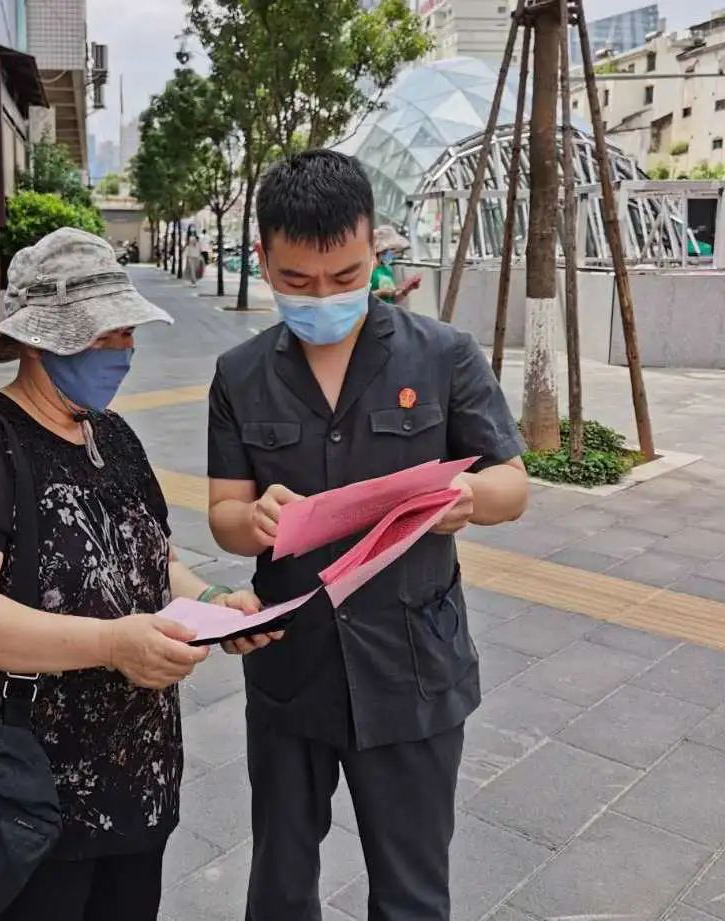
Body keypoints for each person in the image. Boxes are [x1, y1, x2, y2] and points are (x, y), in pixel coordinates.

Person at [0, 228, 266, 921]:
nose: (123, 350)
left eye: (127, 333)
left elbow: (155, 560)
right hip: (21, 799)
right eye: (104, 335)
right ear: (41, 341)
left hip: (133, 789)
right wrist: (112, 644)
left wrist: (218, 603)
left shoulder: (113, 434)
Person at [206, 150, 529, 921]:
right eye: (297, 280)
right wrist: (252, 520)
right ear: (263, 259)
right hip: (292, 666)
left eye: (345, 275)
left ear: (374, 250)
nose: (323, 296)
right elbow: (224, 511)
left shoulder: (442, 355)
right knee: (280, 885)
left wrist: (469, 496)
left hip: (411, 667)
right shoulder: (240, 373)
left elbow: (512, 484)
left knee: (412, 892)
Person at [370, 224, 420, 304]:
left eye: (395, 250)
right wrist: (380, 292)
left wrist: (407, 289)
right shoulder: (370, 268)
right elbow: (361, 298)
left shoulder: (387, 269)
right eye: (392, 249)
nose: (393, 253)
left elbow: (393, 300)